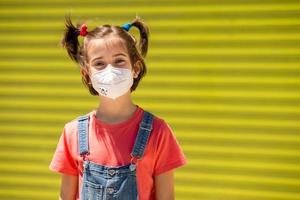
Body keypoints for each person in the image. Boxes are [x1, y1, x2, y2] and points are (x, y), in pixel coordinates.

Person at [49, 14, 187, 200]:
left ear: (135, 68)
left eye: (119, 61)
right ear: (87, 74)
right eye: (99, 63)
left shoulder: (158, 132)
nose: (110, 70)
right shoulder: (72, 132)